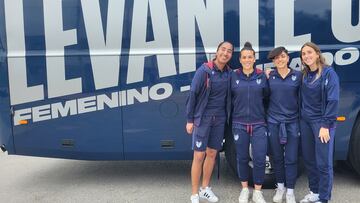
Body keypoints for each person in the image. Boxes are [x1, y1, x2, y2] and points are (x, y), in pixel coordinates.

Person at [186, 41, 233, 203]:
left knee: (212, 154)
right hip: (203, 119)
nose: (225, 53)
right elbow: (192, 94)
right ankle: (194, 193)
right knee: (199, 155)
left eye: (229, 51)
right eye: (223, 50)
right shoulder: (204, 71)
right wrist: (190, 119)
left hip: (219, 119)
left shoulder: (229, 73)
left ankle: (205, 188)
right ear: (217, 51)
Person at [299, 42, 339, 203]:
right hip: (306, 122)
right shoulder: (304, 75)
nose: (306, 56)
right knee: (309, 160)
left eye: (309, 52)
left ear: (317, 54)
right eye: (303, 54)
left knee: (323, 162)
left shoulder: (329, 73)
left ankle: (324, 198)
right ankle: (314, 192)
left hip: (321, 124)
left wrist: (325, 125)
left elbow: (333, 100)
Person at [231, 42, 268, 203]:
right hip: (239, 124)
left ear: (254, 59)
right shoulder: (233, 76)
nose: (247, 60)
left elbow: (267, 97)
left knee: (259, 158)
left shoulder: (261, 76)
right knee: (242, 158)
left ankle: (258, 192)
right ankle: (245, 189)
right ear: (240, 59)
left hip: (259, 123)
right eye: (244, 57)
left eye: (250, 57)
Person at [266, 47, 302, 203]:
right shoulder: (269, 76)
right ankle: (280, 187)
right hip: (274, 122)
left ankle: (290, 192)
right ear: (274, 61)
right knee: (277, 158)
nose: (279, 60)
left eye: (282, 57)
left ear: (288, 58)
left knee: (292, 158)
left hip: (292, 123)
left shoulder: (298, 76)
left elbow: (302, 100)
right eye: (276, 58)